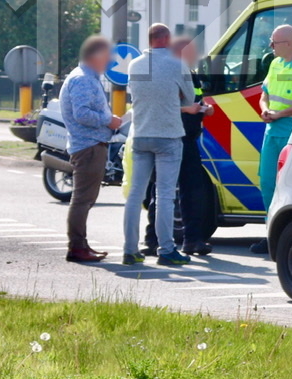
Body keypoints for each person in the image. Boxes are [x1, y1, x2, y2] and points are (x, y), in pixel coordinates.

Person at [124, 23, 200, 266]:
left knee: (135, 195)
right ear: (166, 39)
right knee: (165, 195)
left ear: (149, 40)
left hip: (141, 135)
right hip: (168, 137)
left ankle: (129, 249)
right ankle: (166, 250)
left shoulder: (134, 65)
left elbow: (134, 96)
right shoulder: (176, 64)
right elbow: (189, 98)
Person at [250, 24, 292, 254]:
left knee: (289, 186)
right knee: (267, 183)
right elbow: (264, 94)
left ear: (289, 43)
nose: (270, 46)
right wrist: (265, 109)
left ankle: (282, 238)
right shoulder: (275, 63)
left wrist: (278, 114)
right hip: (272, 131)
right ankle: (270, 234)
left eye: (274, 42)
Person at [58, 36, 122, 263]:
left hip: (89, 145)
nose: (110, 61)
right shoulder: (83, 79)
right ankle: (76, 246)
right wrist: (109, 120)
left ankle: (80, 244)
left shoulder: (85, 77)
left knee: (85, 198)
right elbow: (82, 114)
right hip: (88, 146)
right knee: (82, 199)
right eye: (107, 57)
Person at [172, 36, 215, 255]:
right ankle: (152, 241)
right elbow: (165, 103)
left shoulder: (191, 73)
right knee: (164, 189)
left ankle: (192, 241)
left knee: (193, 191)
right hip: (172, 138)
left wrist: (205, 109)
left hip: (189, 138)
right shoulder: (171, 72)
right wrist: (186, 109)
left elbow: (197, 100)